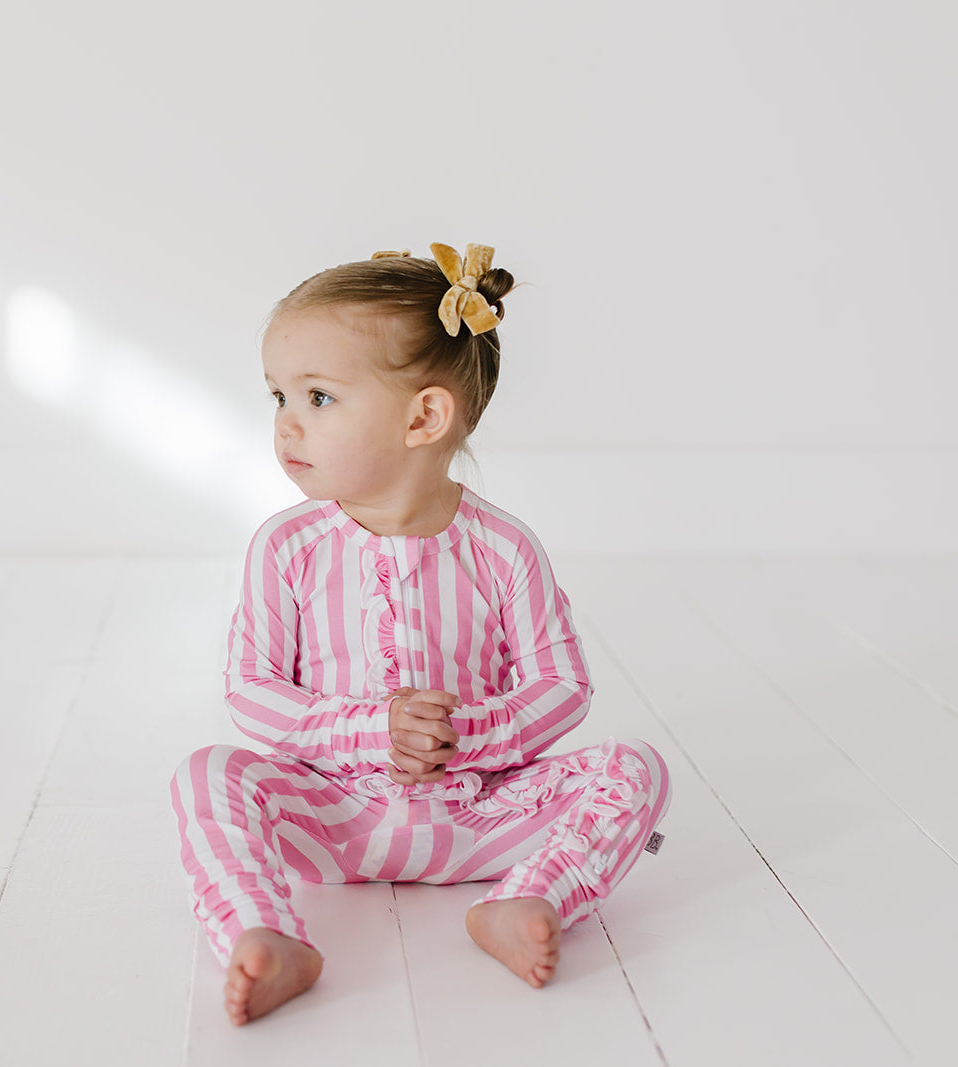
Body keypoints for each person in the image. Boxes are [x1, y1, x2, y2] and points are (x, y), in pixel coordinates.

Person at [169, 243, 672, 1026]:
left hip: (479, 814)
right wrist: (373, 728)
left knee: (635, 768)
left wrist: (460, 734)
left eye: (318, 398)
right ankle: (262, 930)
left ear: (424, 416)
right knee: (207, 772)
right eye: (278, 396)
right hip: (335, 815)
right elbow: (252, 690)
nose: (286, 424)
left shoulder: (503, 548)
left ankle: (526, 896)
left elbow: (561, 685)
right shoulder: (286, 548)